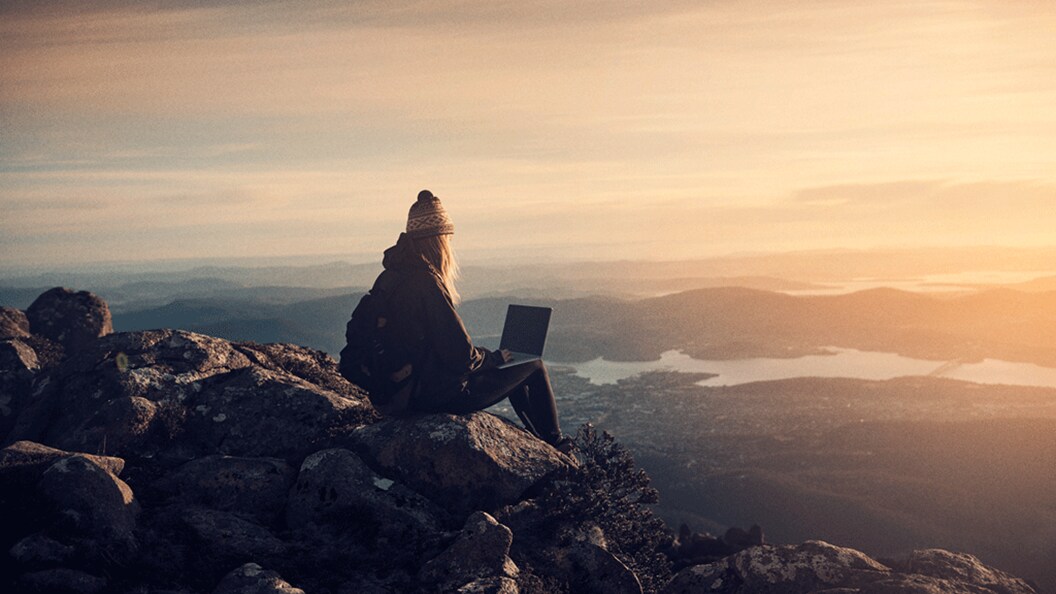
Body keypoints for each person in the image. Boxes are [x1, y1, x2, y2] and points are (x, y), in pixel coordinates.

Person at [349, 189, 571, 452]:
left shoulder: (389, 277)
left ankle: (540, 441)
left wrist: (492, 360)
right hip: (434, 395)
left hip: (399, 392)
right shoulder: (426, 282)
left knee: (509, 367)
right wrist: (494, 358)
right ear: (440, 240)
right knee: (533, 365)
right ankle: (556, 444)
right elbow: (460, 356)